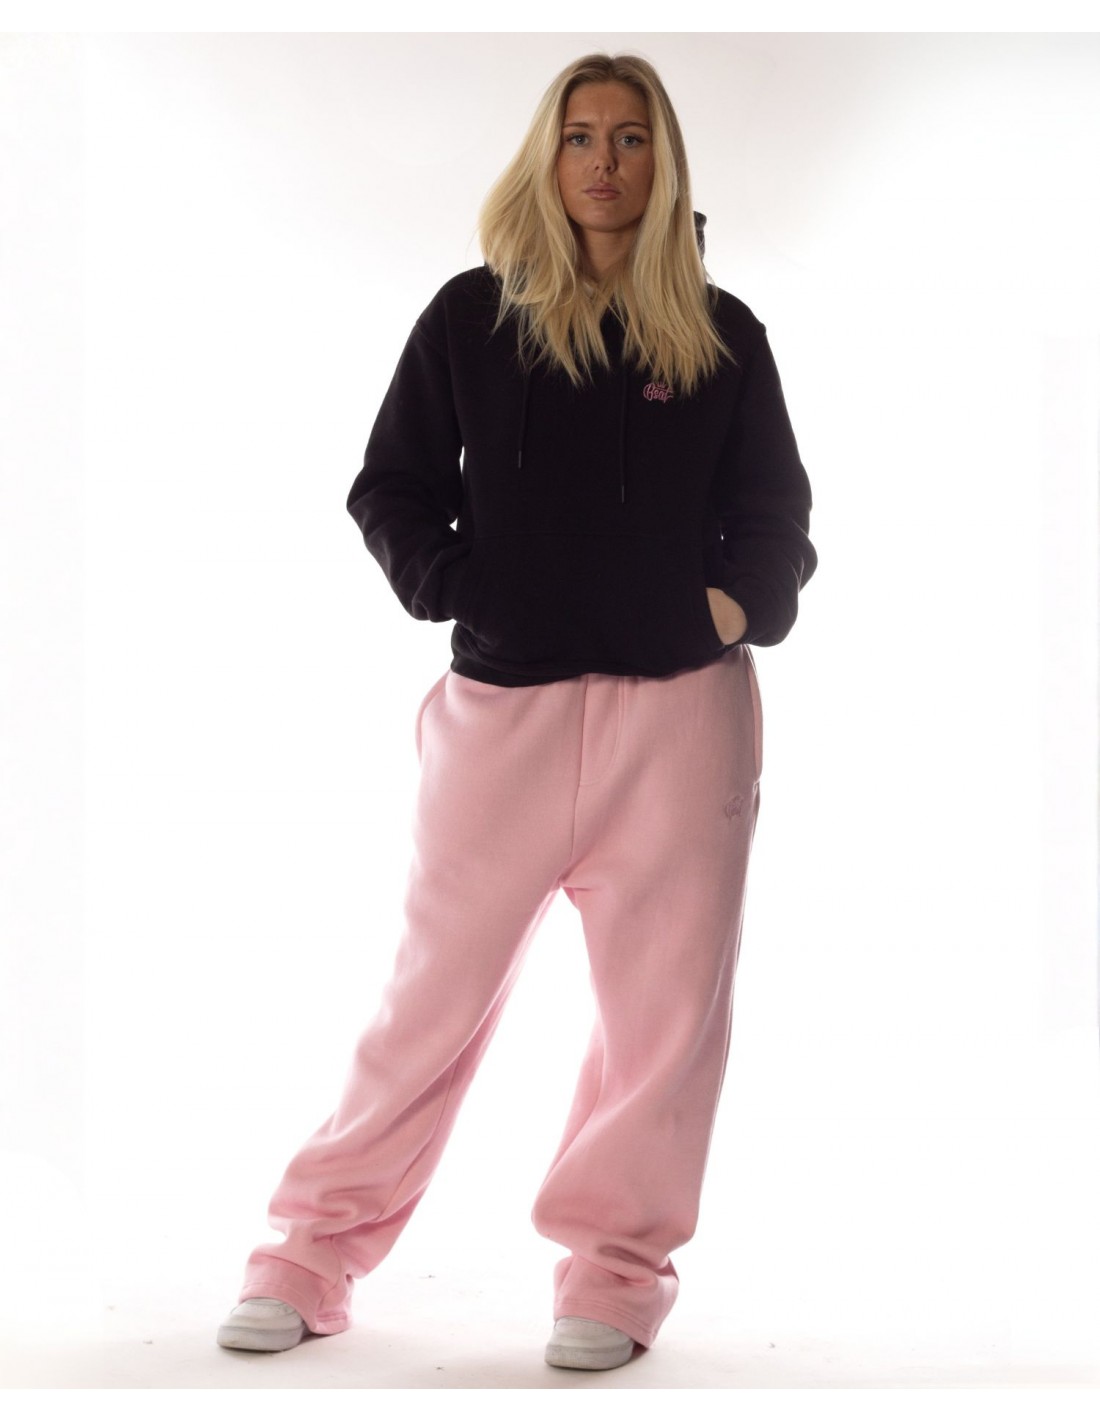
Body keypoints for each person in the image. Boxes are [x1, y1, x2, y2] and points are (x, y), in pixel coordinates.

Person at [217, 51, 817, 1373]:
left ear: (664, 162)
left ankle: (614, 1273)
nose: (604, 162)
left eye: (631, 138)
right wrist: (462, 590)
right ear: (547, 156)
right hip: (502, 716)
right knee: (428, 1001)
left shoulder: (722, 335)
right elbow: (391, 485)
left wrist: (727, 610)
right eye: (581, 136)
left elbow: (777, 518)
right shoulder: (472, 319)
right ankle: (309, 1254)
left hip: (681, 722)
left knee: (664, 1022)